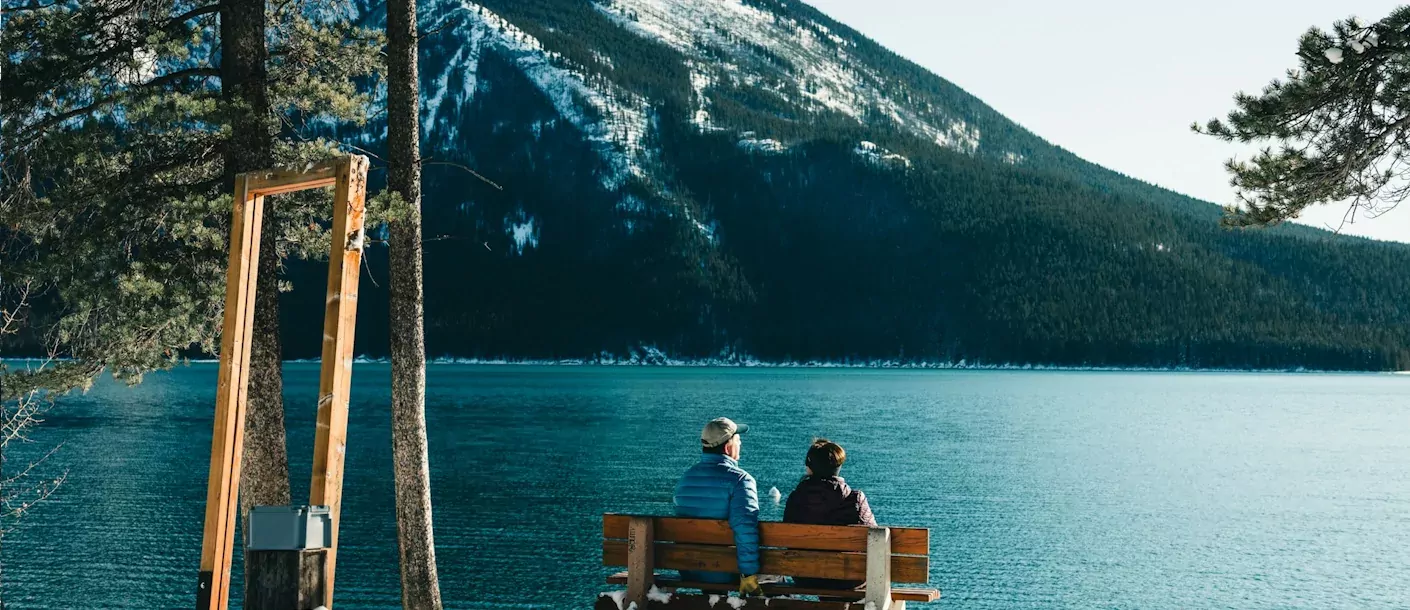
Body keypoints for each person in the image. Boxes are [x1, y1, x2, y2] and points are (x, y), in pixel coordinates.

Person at [673, 417, 762, 596]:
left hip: (690, 568)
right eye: (738, 439)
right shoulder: (740, 481)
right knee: (777, 578)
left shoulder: (686, 479)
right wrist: (748, 574)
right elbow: (745, 528)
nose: (740, 443)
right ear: (728, 447)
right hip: (724, 570)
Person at [783, 438, 876, 591]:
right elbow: (874, 539)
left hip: (804, 576)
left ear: (809, 468)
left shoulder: (796, 498)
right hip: (846, 578)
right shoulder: (855, 499)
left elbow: (787, 538)